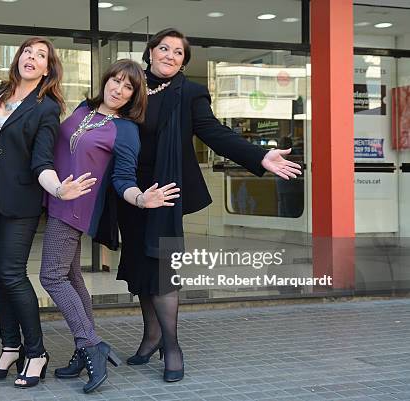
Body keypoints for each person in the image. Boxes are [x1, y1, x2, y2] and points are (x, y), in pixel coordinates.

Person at [116, 28, 302, 383]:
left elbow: (215, 133)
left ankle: (172, 346)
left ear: (184, 60)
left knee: (163, 267)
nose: (170, 55)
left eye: (178, 52)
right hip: (130, 192)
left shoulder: (190, 93)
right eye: (164, 48)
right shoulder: (132, 87)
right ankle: (150, 336)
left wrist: (260, 156)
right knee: (142, 266)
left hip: (165, 190)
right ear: (150, 52)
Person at [39, 59, 180, 394]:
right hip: (57, 198)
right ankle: (82, 352)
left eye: (128, 86)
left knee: (52, 277)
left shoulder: (126, 130)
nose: (119, 89)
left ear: (134, 95)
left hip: (75, 207)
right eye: (116, 81)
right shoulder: (83, 109)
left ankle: (91, 346)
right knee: (71, 277)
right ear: (105, 81)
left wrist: (141, 199)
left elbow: (122, 178)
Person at [0, 37, 89, 389]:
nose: (32, 58)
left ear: (48, 68)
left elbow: (42, 160)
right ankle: (10, 347)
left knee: (12, 274)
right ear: (18, 58)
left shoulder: (46, 107)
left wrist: (58, 189)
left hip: (19, 203)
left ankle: (35, 352)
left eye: (41, 56)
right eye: (27, 52)